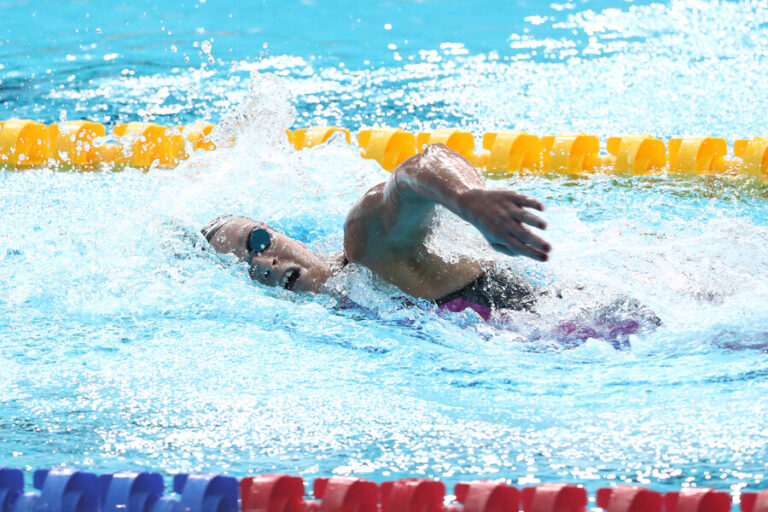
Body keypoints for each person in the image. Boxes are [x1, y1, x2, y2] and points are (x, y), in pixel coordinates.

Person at [201, 143, 551, 320]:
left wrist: (468, 198)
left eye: (256, 241)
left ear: (279, 233)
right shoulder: (348, 306)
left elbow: (418, 168)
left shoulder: (366, 249)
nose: (263, 262)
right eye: (246, 266)